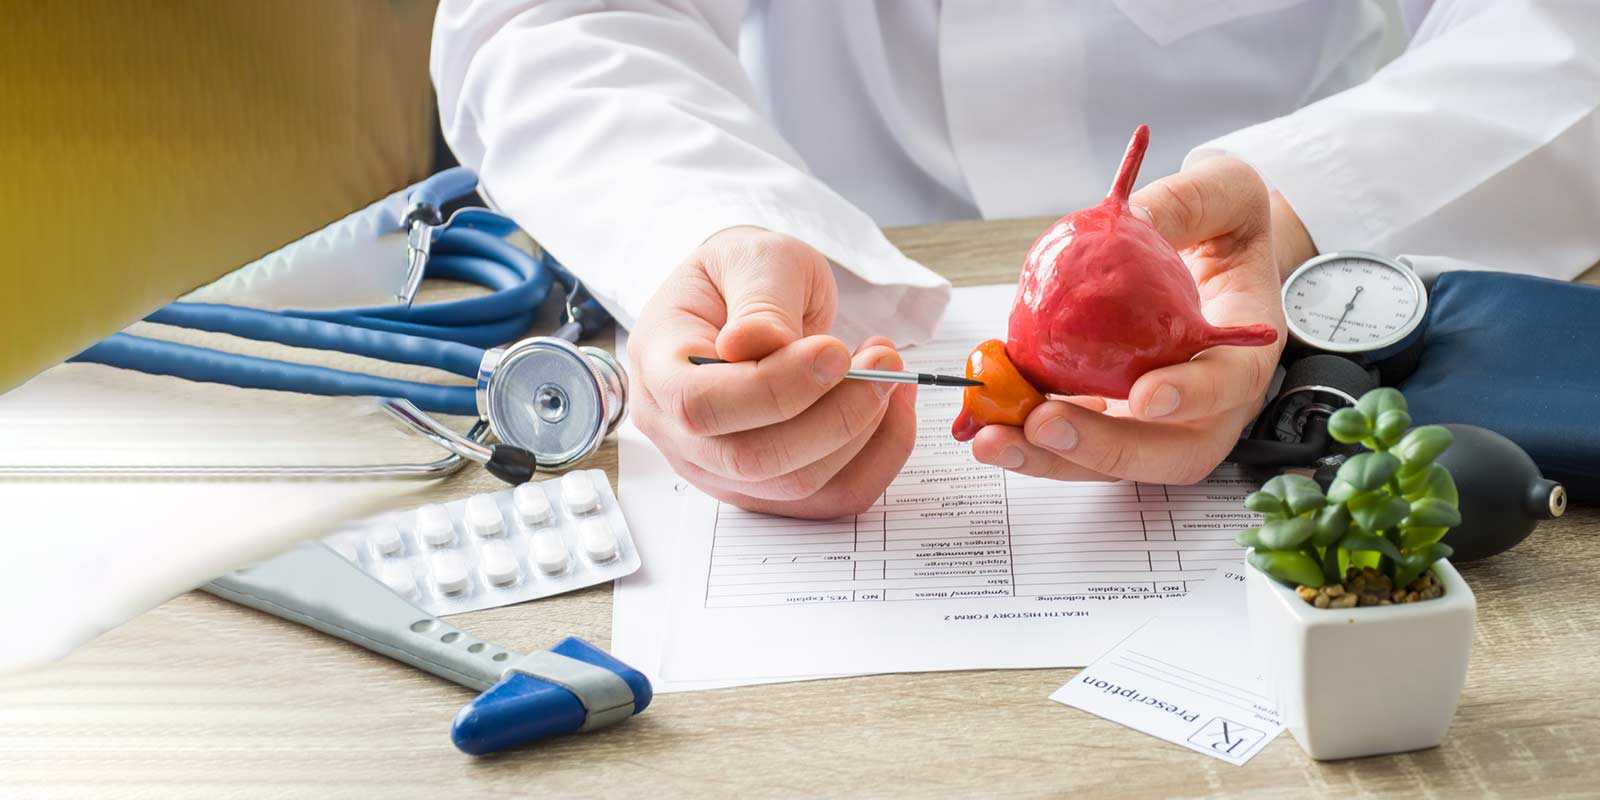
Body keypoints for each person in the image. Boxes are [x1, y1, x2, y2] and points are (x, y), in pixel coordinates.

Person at [431, 1, 1600, 518]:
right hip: (826, 253)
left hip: (1321, 281)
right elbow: (552, 17)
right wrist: (700, 225)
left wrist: (1304, 205)